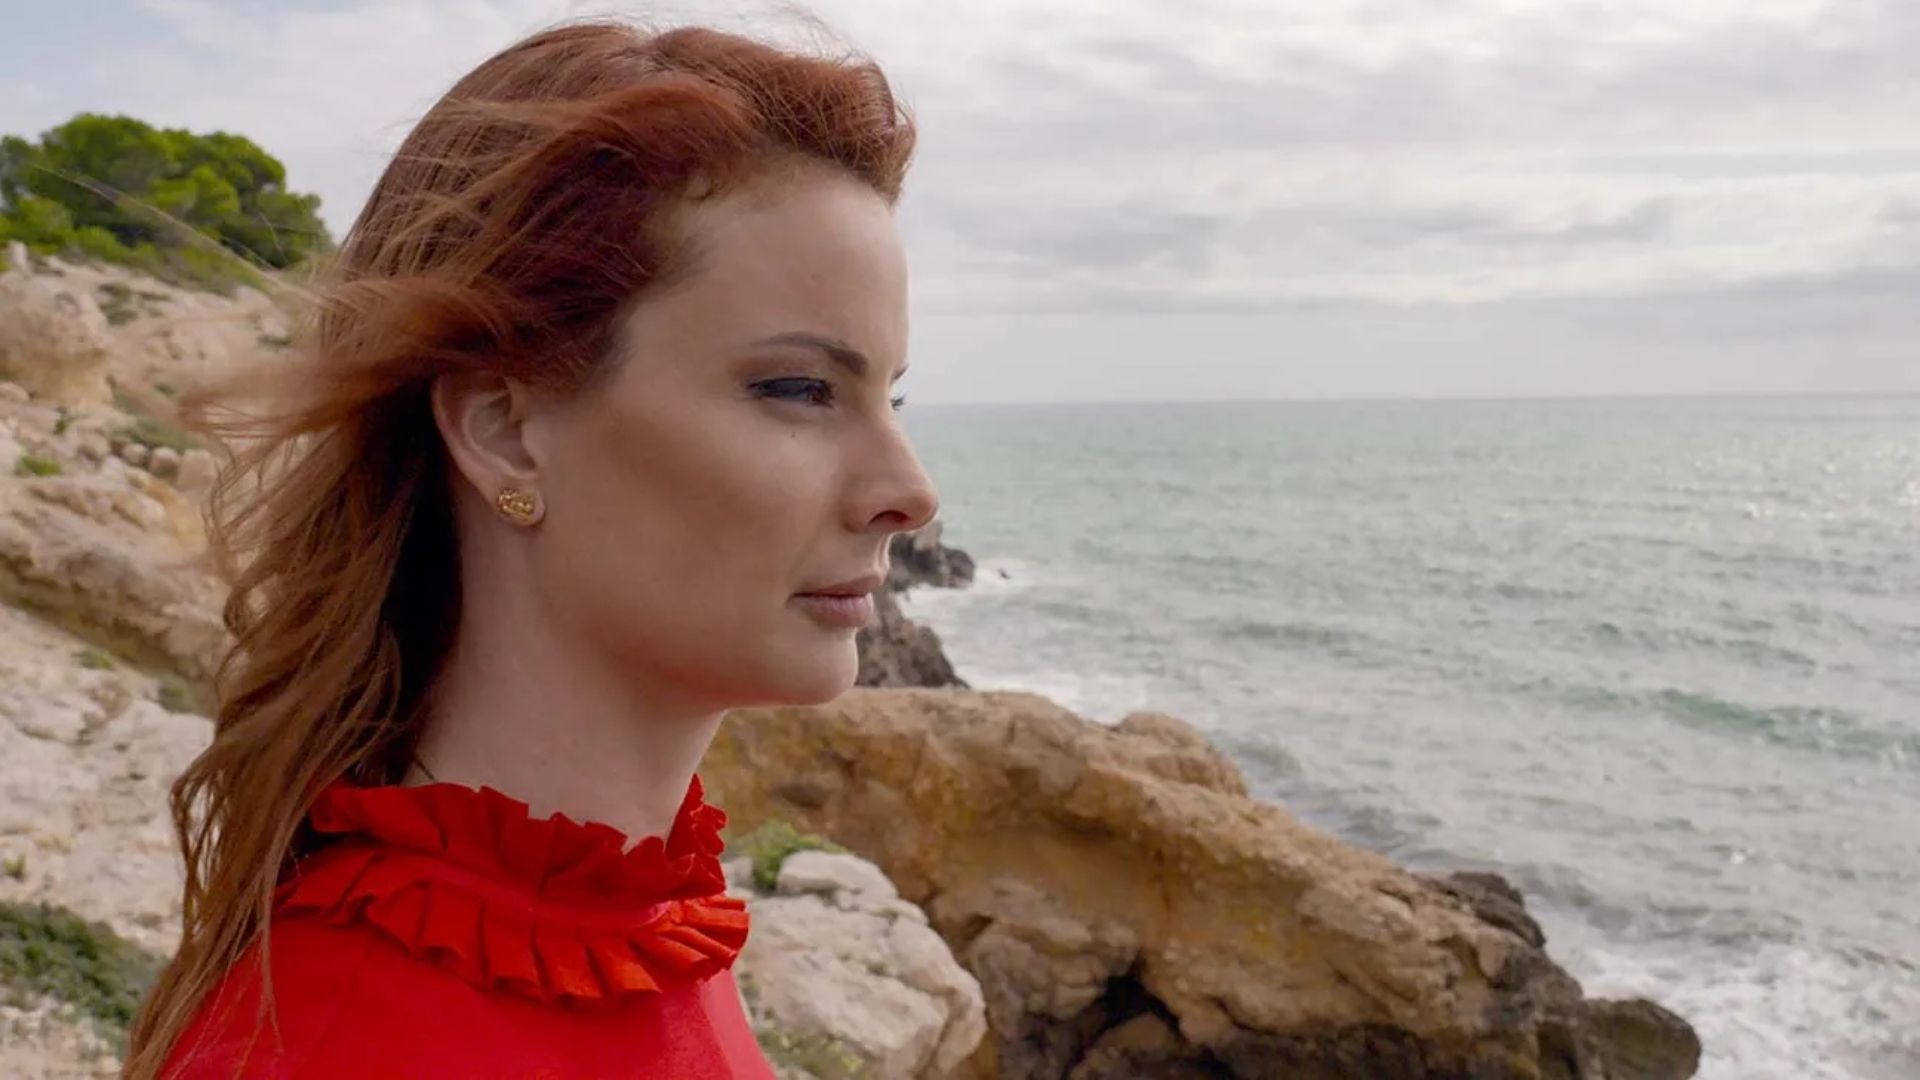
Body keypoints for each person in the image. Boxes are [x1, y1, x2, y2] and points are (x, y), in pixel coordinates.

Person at [124, 19, 939, 1079]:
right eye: (800, 389)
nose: (910, 494)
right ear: (505, 432)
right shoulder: (332, 1041)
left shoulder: (638, 926)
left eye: (890, 398)